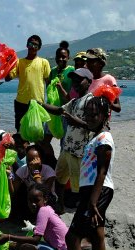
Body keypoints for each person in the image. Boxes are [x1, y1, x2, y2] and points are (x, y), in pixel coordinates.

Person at [53, 96, 115, 250]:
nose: (89, 117)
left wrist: (93, 202)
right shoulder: (95, 135)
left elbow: (102, 172)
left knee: (72, 238)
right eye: (86, 114)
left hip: (98, 192)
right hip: (93, 191)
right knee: (97, 237)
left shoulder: (104, 139)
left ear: (105, 115)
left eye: (94, 114)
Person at [40, 68, 94, 211]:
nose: (75, 83)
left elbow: (94, 126)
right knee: (59, 177)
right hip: (67, 148)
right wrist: (40, 105)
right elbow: (59, 111)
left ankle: (83, 210)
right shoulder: (74, 101)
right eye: (74, 80)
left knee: (78, 185)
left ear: (89, 82)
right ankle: (60, 204)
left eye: (79, 80)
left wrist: (74, 121)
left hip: (79, 152)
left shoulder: (91, 101)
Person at [0, 183, 68, 250]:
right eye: (30, 200)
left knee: (25, 249)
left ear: (45, 199)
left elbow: (36, 239)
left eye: (36, 201)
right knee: (13, 246)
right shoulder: (47, 209)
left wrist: (8, 237)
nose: (33, 204)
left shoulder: (43, 211)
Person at [5, 34, 51, 131]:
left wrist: (50, 101)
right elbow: (7, 78)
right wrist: (8, 64)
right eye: (31, 44)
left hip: (38, 103)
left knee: (37, 133)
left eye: (36, 45)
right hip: (21, 103)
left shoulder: (44, 62)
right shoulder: (19, 62)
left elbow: (48, 83)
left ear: (39, 48)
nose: (33, 47)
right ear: (27, 45)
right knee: (20, 133)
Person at [41, 41, 75, 167]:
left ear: (68, 58)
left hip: (66, 112)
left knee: (63, 143)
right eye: (59, 57)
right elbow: (47, 87)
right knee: (44, 140)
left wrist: (61, 89)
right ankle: (54, 163)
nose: (61, 59)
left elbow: (73, 94)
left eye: (64, 57)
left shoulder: (72, 71)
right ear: (55, 58)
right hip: (52, 111)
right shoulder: (52, 71)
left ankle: (61, 169)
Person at [9, 144, 56, 222]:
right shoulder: (23, 170)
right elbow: (13, 192)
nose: (30, 163)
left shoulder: (49, 172)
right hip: (30, 198)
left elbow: (44, 193)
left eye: (33, 159)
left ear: (41, 160)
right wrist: (9, 177)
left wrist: (35, 172)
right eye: (28, 160)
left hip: (46, 199)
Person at [85, 48, 121, 125]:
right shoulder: (86, 79)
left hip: (101, 125)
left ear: (101, 63)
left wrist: (108, 103)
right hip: (86, 124)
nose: (88, 63)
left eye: (92, 61)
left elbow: (118, 107)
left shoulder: (109, 80)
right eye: (87, 60)